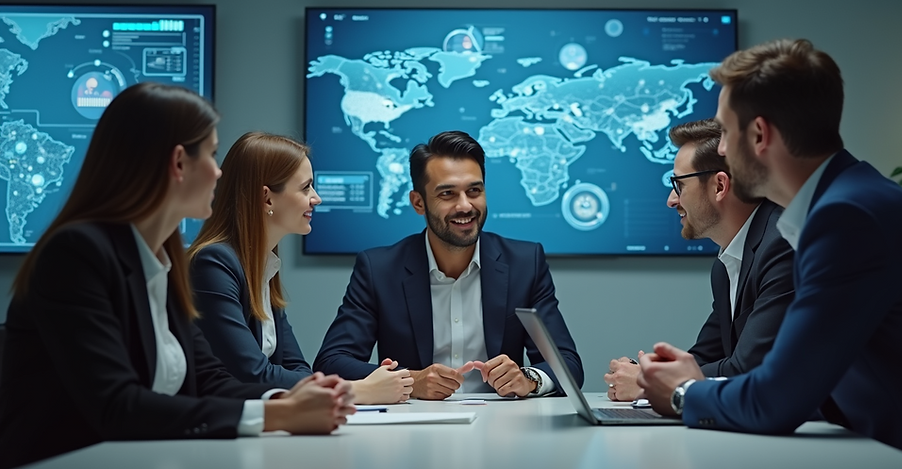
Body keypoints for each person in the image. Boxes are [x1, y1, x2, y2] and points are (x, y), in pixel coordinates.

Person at [636, 39, 902, 469]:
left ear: (760, 135)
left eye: (725, 132)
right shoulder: (847, 201)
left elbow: (775, 397)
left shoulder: (847, 218)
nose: (720, 150)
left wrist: (683, 392)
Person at [0, 84, 355, 469]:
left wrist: (289, 400)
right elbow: (118, 406)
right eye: (213, 154)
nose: (220, 173)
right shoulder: (75, 255)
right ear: (179, 162)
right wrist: (279, 416)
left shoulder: (161, 257)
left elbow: (209, 378)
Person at [314, 131, 583, 399]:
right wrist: (410, 380)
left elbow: (567, 364)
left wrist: (528, 379)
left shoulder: (525, 263)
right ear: (418, 203)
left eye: (474, 191)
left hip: (502, 426)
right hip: (412, 427)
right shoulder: (379, 269)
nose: (465, 206)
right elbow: (331, 362)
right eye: (447, 194)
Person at [188, 132, 412, 403]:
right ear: (267, 199)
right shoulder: (212, 264)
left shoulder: (263, 267)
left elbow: (300, 369)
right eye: (305, 188)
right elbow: (250, 373)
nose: (316, 198)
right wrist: (358, 389)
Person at [604, 119, 793, 401]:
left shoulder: (782, 246)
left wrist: (647, 383)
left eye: (679, 185)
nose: (671, 200)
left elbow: (749, 369)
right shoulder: (725, 264)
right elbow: (704, 358)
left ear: (719, 185)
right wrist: (655, 373)